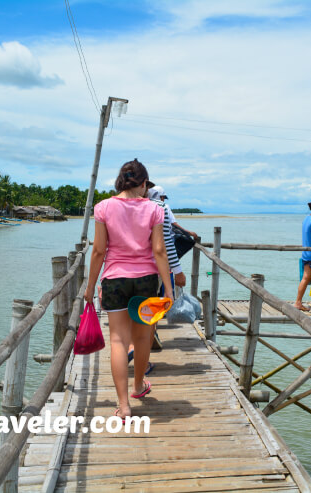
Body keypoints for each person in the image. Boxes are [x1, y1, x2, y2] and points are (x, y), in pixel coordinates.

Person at [84, 159, 173, 420]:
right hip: (146, 280)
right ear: (144, 183)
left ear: (120, 183)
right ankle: (138, 386)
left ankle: (123, 406)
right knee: (144, 337)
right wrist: (168, 287)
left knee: (118, 341)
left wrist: (90, 286)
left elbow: (99, 250)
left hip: (114, 280)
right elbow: (159, 250)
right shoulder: (156, 210)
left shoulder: (103, 208)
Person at [150, 185, 198, 258]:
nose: (163, 200)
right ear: (161, 197)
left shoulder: (145, 206)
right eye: (163, 197)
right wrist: (188, 233)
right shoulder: (164, 206)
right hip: (165, 242)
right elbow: (174, 224)